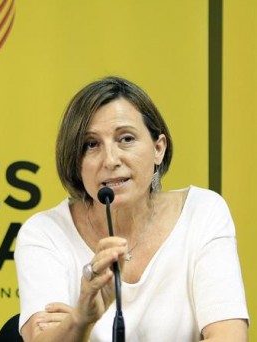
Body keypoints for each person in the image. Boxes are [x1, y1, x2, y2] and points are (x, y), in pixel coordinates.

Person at [15, 76, 249, 341]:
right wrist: (82, 318)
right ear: (75, 161)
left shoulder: (203, 212)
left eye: (126, 139)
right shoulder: (45, 233)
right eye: (91, 144)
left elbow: (229, 336)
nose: (111, 160)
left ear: (158, 148)